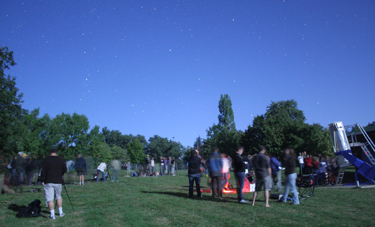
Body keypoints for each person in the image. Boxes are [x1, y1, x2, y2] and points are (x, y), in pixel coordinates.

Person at [39, 148, 67, 220]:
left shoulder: (46, 160)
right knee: (58, 196)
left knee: (49, 198)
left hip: (48, 181)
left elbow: (43, 171)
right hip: (58, 181)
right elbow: (65, 169)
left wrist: (42, 180)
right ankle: (60, 212)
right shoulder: (60, 159)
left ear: (50, 153)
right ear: (56, 153)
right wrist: (60, 174)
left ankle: (52, 215)